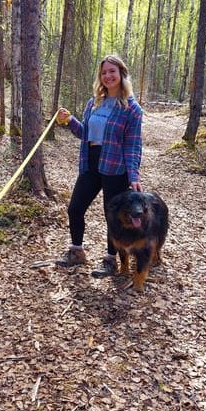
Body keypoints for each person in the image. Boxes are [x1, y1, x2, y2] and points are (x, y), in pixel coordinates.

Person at [55, 54, 143, 277]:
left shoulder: (132, 109)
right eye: (104, 72)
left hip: (116, 167)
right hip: (91, 163)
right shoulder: (93, 103)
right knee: (75, 207)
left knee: (113, 216)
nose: (108, 76)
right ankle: (77, 252)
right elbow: (86, 133)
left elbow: (133, 145)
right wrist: (70, 120)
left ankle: (111, 260)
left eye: (112, 71)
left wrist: (133, 175)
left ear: (122, 74)